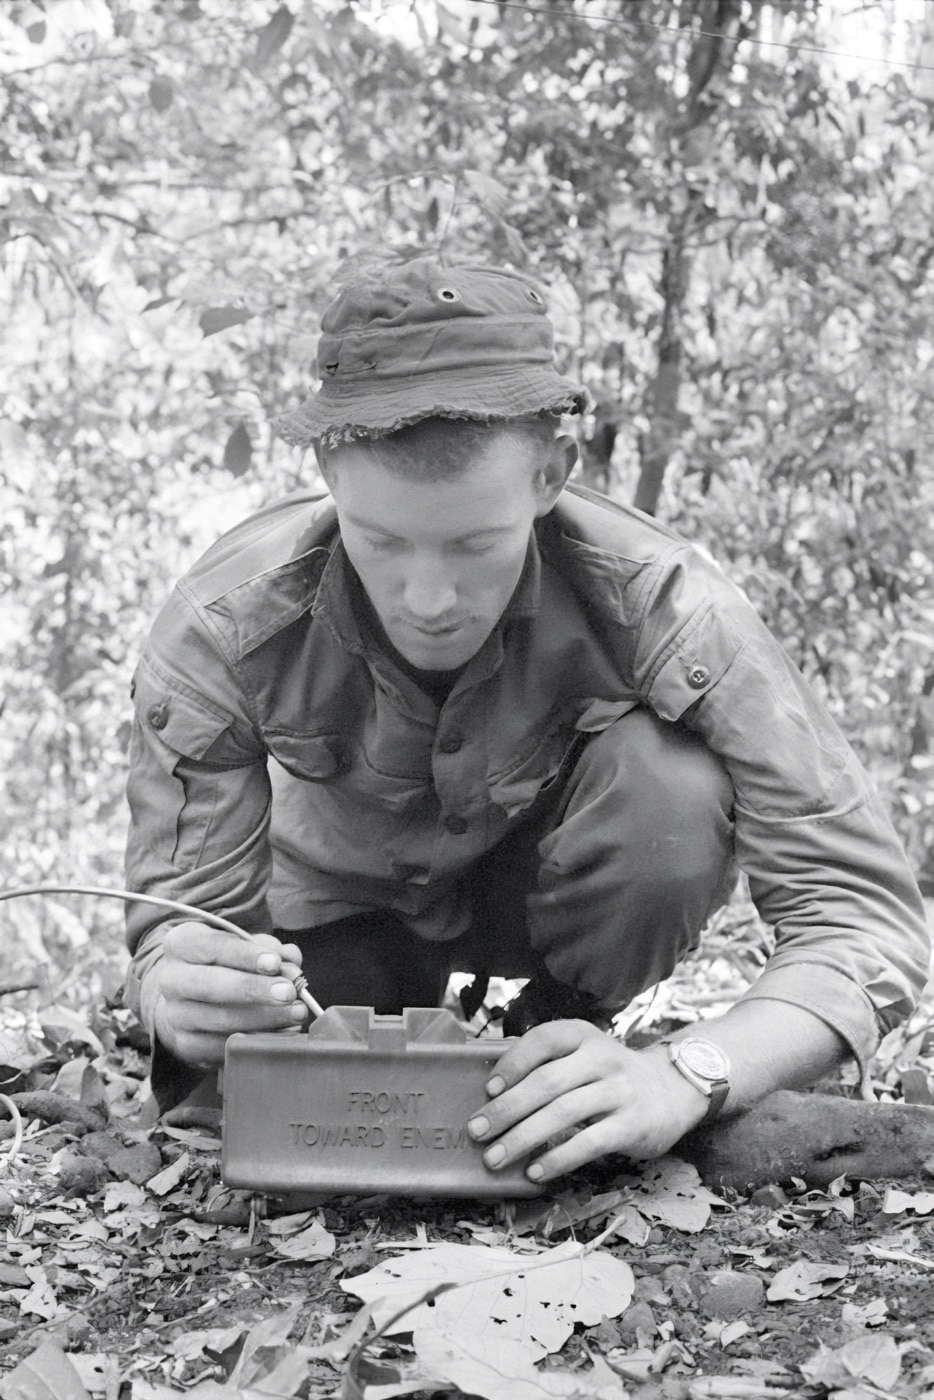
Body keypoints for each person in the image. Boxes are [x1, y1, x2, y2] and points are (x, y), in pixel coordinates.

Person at [124, 256, 929, 1184]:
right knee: (253, 1066)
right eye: (380, 541)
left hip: (552, 936)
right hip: (320, 958)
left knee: (673, 788)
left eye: (476, 545)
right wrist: (178, 986)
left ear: (552, 473)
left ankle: (575, 1054)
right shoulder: (226, 621)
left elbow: (863, 920)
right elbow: (180, 927)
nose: (428, 598)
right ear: (326, 474)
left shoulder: (671, 609)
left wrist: (688, 1073)